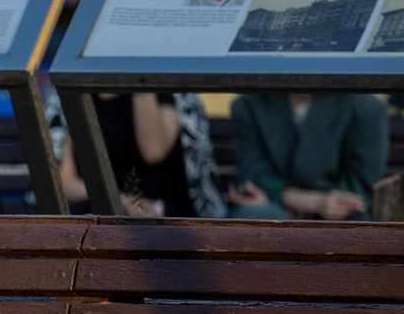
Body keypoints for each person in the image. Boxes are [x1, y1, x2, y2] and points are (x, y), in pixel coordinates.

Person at [50, 89, 225, 218]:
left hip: (161, 212)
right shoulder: (73, 96)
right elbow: (65, 183)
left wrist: (139, 83)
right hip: (100, 210)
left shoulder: (169, 95)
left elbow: (153, 152)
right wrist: (120, 199)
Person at [225, 92, 391, 220]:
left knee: (354, 228)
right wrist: (314, 202)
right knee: (256, 216)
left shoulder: (366, 108)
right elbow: (253, 174)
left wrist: (321, 204)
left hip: (340, 215)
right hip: (273, 208)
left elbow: (360, 186)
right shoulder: (248, 104)